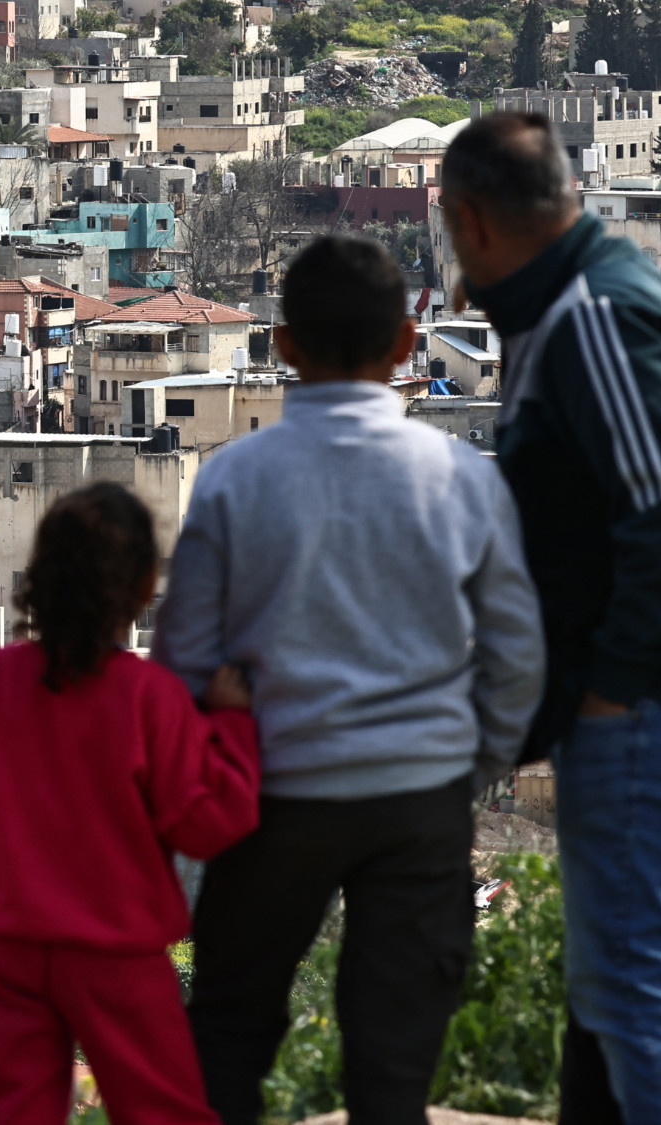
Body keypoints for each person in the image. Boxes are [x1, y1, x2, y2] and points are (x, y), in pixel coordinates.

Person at [441, 111, 661, 1125]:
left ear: (469, 218)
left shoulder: (590, 317)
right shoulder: (588, 305)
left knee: (634, 986)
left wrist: (606, 693)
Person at [155, 234, 545, 1125]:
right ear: (409, 343)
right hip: (416, 797)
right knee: (394, 1053)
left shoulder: (234, 479)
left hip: (274, 795)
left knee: (230, 1029)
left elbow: (182, 662)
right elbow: (518, 656)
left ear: (283, 345)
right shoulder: (458, 478)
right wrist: (465, 759)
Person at [0, 483, 260, 1125]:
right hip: (119, 952)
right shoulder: (151, 698)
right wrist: (232, 726)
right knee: (164, 1110)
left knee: (15, 1112)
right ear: (147, 586)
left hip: (8, 949)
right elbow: (207, 825)